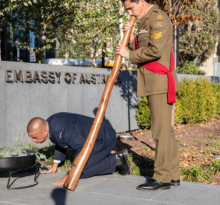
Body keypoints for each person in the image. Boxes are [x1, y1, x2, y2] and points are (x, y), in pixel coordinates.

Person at [116, 0, 180, 191]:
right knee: (165, 131)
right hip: (152, 81)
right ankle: (173, 175)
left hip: (159, 81)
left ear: (142, 2)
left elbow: (155, 50)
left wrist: (128, 54)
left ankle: (162, 177)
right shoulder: (144, 22)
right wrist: (129, 36)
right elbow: (139, 48)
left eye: (131, 7)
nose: (129, 11)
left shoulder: (158, 19)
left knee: (160, 132)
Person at [27, 112, 132, 185]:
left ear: (44, 131)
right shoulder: (50, 124)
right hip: (94, 139)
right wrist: (55, 164)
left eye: (35, 137)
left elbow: (82, 148)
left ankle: (117, 161)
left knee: (79, 172)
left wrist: (70, 173)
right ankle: (112, 159)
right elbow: (60, 142)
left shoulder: (62, 130)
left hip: (103, 138)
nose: (33, 140)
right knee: (78, 169)